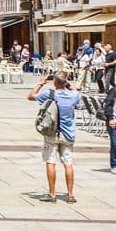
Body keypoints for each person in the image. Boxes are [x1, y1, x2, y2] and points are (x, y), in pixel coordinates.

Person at [28, 72, 81, 203]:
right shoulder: (73, 96)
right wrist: (67, 84)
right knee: (68, 163)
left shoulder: (50, 94)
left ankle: (52, 194)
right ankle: (70, 195)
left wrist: (41, 83)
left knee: (50, 161)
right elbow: (75, 91)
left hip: (52, 133)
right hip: (68, 134)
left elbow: (30, 96)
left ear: (54, 83)